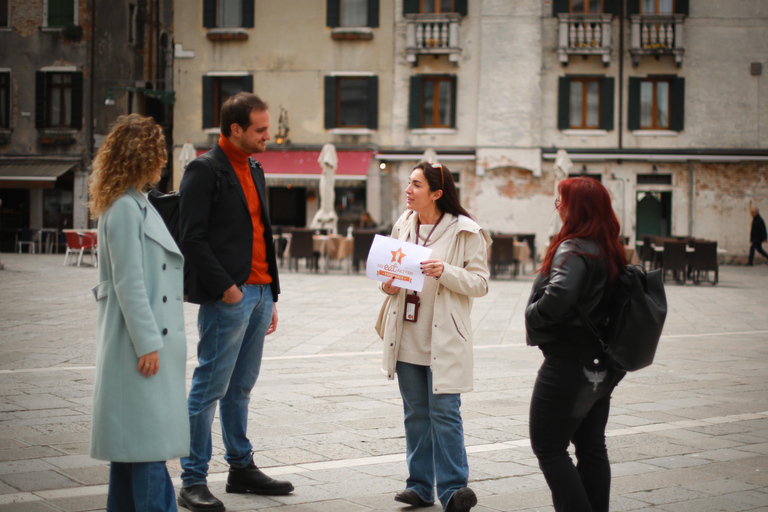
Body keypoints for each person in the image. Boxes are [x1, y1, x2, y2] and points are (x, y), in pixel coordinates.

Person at [177, 93, 293, 512]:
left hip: (260, 294)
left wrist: (271, 294)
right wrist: (228, 288)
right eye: (261, 130)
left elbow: (262, 232)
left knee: (240, 388)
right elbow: (191, 236)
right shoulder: (203, 170)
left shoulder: (257, 167)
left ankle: (241, 468)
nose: (269, 136)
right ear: (235, 129)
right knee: (209, 387)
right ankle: (192, 479)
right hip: (230, 295)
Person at [375, 162, 490, 512]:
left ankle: (454, 488)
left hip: (444, 338)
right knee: (415, 414)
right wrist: (388, 283)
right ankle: (420, 486)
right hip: (406, 333)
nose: (408, 190)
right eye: (409, 183)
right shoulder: (403, 223)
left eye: (416, 185)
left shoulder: (465, 231)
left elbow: (481, 283)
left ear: (437, 193)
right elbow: (387, 277)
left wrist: (447, 272)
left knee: (445, 413)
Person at [88, 114, 189, 512]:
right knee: (146, 448)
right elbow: (128, 283)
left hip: (140, 344)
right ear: (141, 157)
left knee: (133, 448)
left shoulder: (132, 203)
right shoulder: (125, 209)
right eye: (159, 154)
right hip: (140, 346)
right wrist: (148, 343)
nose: (163, 162)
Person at [525, 177, 628, 512]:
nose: (557, 205)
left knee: (549, 447)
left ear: (577, 207)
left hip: (567, 364)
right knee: (591, 446)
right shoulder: (607, 247)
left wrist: (534, 315)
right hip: (601, 364)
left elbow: (560, 295)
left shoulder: (573, 248)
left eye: (562, 199)